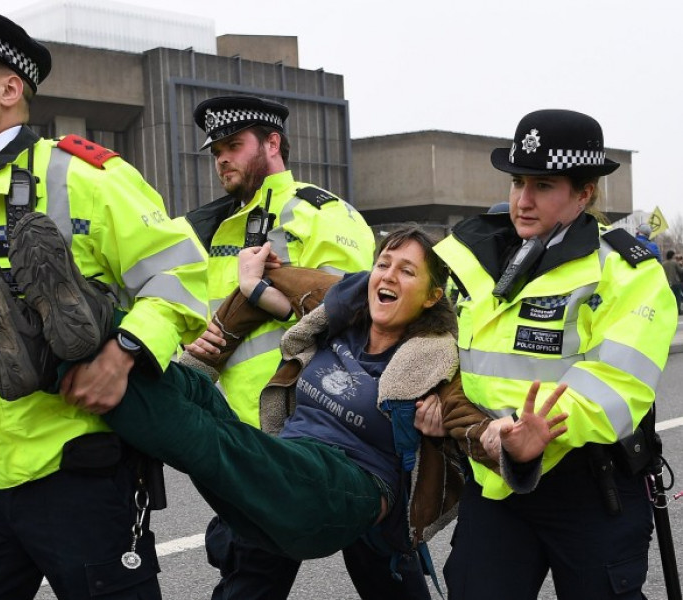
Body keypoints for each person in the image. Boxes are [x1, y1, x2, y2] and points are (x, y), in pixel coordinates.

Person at [0, 222, 566, 595]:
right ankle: (64, 350)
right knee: (192, 390)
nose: (387, 274)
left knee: (220, 444)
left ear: (432, 295)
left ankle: (63, 354)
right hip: (289, 465)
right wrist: (244, 295)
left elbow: (473, 426)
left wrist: (511, 443)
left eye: (406, 270)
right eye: (383, 262)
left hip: (345, 489)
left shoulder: (432, 366)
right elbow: (282, 277)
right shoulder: (339, 315)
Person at [0, 4, 208, 599]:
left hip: (79, 469)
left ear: (10, 88)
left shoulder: (80, 174)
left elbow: (182, 274)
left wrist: (125, 353)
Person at [434, 109, 677, 599]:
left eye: (543, 186)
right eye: (518, 181)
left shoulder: (628, 272)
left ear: (584, 193)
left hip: (590, 484)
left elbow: (618, 384)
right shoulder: (473, 255)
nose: (523, 200)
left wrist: (539, 434)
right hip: (496, 478)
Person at [183, 95, 377, 598]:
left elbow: (355, 306)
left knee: (383, 569)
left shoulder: (321, 212)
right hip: (251, 431)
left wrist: (258, 292)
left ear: (272, 144)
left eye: (233, 145)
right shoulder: (212, 227)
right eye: (216, 150)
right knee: (249, 576)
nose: (222, 158)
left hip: (334, 428)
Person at [662, 249, 683, 314]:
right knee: (677, 297)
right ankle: (678, 310)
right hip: (675, 283)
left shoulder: (663, 264)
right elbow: (680, 271)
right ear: (672, 256)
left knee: (668, 297)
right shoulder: (674, 263)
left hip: (666, 283)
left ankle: (668, 310)